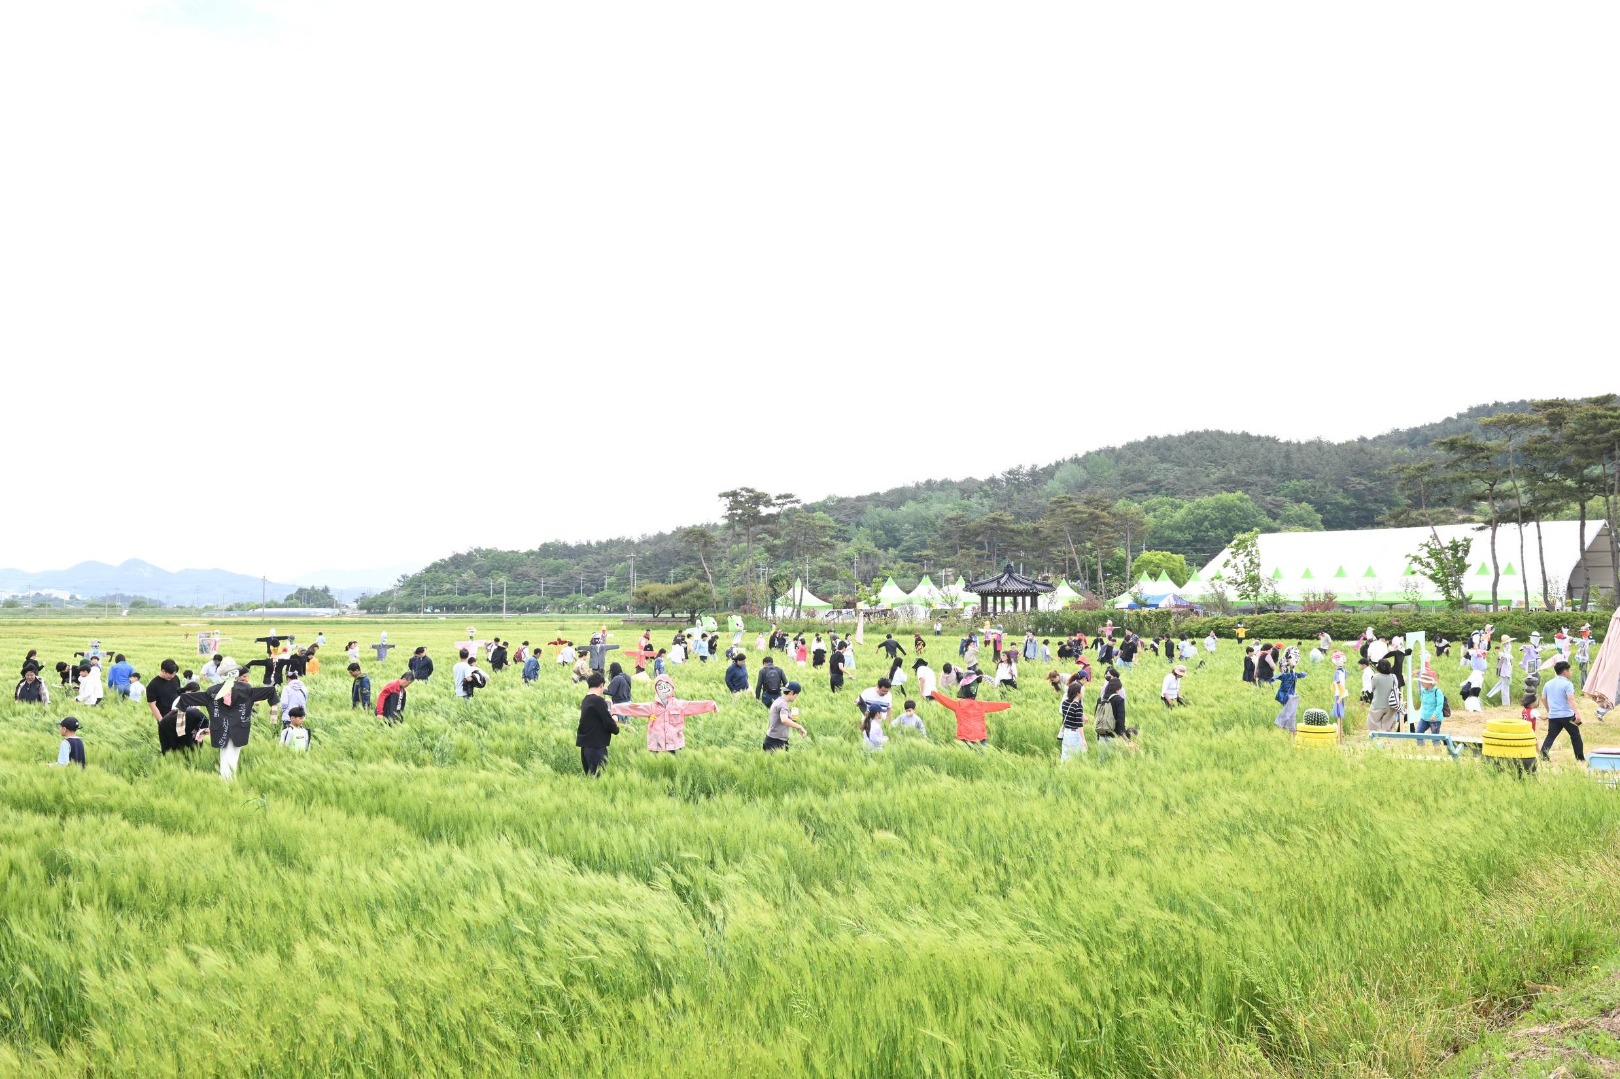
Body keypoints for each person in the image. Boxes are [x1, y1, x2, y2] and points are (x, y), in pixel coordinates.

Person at [171, 658, 279, 780]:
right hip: (239, 727)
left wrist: (180, 726)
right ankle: (228, 781)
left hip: (222, 728)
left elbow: (185, 699)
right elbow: (270, 691)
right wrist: (273, 716)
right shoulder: (246, 690)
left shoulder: (213, 691)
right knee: (231, 755)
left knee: (226, 755)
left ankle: (226, 780)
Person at [610, 672, 717, 752]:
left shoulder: (679, 705)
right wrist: (615, 708)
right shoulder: (652, 707)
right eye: (659, 687)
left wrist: (711, 705)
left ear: (672, 688)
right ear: (656, 690)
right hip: (656, 745)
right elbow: (634, 708)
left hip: (675, 744)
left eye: (666, 686)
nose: (663, 689)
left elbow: (695, 705)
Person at [575, 673, 620, 776]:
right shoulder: (597, 700)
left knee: (590, 778)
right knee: (599, 778)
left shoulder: (586, 700)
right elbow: (608, 722)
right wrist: (615, 726)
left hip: (586, 747)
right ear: (601, 685)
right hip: (596, 747)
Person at [1540, 660, 1585, 763]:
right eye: (1569, 670)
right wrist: (1577, 713)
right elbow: (1571, 699)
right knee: (1575, 736)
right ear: (1565, 671)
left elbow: (1543, 698)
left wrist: (1549, 711)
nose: (1570, 672)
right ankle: (1580, 758)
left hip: (1553, 716)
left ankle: (1544, 756)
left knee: (1550, 737)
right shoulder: (1567, 684)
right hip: (1567, 715)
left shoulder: (1548, 683)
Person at [930, 690, 1012, 746]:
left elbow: (945, 701)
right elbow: (996, 706)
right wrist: (1008, 705)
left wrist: (934, 694)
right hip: (980, 736)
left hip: (964, 737)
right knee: (982, 761)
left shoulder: (958, 705)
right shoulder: (981, 705)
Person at [763, 682, 809, 751]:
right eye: (796, 695)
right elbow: (784, 720)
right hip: (776, 742)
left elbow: (782, 719)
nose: (796, 697)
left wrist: (791, 719)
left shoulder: (779, 700)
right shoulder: (783, 704)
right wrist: (800, 727)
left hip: (772, 739)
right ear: (791, 692)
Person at [1367, 658, 1401, 732]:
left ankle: (1374, 740)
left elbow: (1372, 689)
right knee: (1389, 725)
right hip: (1391, 704)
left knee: (1372, 724)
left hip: (1377, 704)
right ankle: (1390, 740)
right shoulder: (1393, 677)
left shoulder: (1375, 677)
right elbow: (1396, 686)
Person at [1059, 680, 1086, 761]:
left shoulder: (1064, 703)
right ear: (1078, 693)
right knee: (1075, 757)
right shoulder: (1078, 706)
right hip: (1074, 734)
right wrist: (1083, 739)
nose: (1083, 692)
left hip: (1066, 733)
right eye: (1082, 691)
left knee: (1065, 756)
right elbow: (1079, 725)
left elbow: (1065, 718)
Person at [1274, 663, 1305, 732]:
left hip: (1291, 696)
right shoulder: (1286, 675)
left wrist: (1302, 674)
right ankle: (1286, 726)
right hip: (1287, 696)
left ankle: (1288, 727)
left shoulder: (1289, 674)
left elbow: (1301, 675)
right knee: (1289, 712)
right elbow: (1277, 676)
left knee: (1290, 712)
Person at [1414, 669, 1445, 735]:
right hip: (1424, 718)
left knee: (1435, 738)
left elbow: (1440, 705)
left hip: (1435, 719)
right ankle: (1420, 745)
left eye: (1423, 682)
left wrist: (1435, 715)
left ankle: (1437, 746)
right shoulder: (1423, 692)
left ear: (1429, 682)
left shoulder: (1437, 692)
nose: (1421, 683)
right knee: (1418, 734)